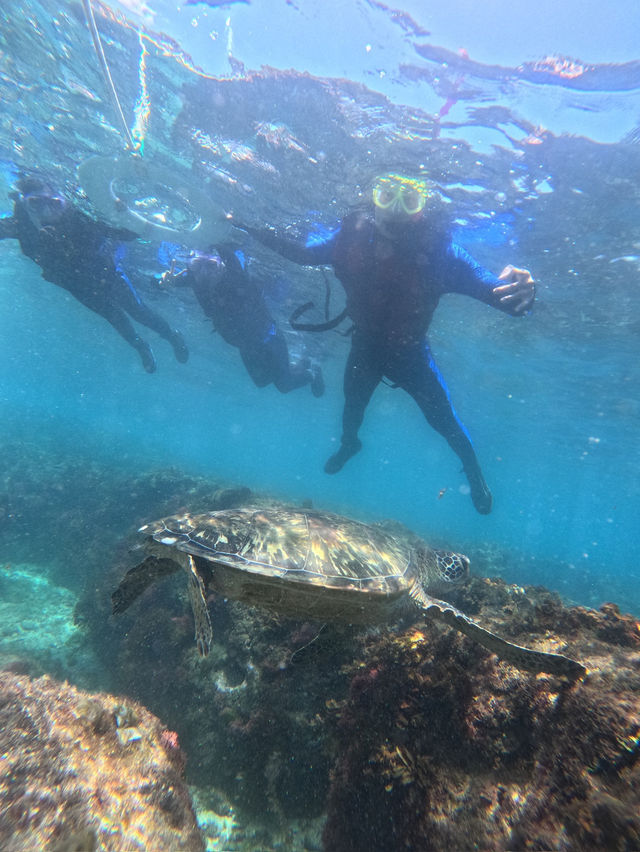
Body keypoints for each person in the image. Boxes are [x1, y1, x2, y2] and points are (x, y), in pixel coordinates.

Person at [242, 172, 536, 514]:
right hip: (366, 348)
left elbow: (501, 296)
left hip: (411, 355)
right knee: (351, 411)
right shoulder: (347, 242)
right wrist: (243, 224)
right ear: (373, 200)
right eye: (387, 195)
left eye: (409, 200)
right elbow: (300, 252)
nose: (395, 210)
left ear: (421, 211)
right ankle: (350, 445)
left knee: (445, 422)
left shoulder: (442, 255)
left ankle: (474, 473)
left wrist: (525, 292)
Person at [0, 175, 189, 373]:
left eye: (55, 203)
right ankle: (140, 346)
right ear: (24, 203)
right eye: (36, 203)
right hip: (76, 285)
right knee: (115, 317)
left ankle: (171, 335)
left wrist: (134, 220)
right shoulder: (19, 224)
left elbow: (122, 233)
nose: (47, 212)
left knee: (138, 311)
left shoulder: (81, 218)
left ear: (65, 203)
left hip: (107, 274)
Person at [159, 243, 324, 396]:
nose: (209, 272)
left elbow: (228, 254)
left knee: (283, 385)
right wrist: (162, 280)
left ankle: (312, 372)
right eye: (199, 268)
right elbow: (163, 280)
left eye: (212, 265)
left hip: (269, 339)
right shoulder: (198, 281)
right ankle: (303, 364)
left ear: (220, 263)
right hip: (246, 347)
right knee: (262, 382)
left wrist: (215, 238)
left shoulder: (236, 277)